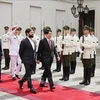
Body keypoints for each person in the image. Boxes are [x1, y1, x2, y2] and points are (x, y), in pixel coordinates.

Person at [37, 27, 60, 91]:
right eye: (49, 34)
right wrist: (38, 59)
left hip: (51, 58)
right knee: (49, 71)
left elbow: (54, 49)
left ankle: (42, 81)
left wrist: (57, 56)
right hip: (44, 59)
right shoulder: (42, 41)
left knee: (46, 70)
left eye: (51, 34)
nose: (50, 35)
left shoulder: (52, 41)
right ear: (46, 34)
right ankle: (51, 85)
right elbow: (39, 51)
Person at [18, 28, 37, 94]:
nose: (33, 33)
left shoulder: (33, 41)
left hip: (32, 60)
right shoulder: (24, 41)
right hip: (26, 60)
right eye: (31, 32)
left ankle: (21, 81)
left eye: (33, 32)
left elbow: (34, 51)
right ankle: (31, 87)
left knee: (29, 73)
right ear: (27, 33)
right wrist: (23, 58)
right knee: (28, 72)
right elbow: (20, 51)